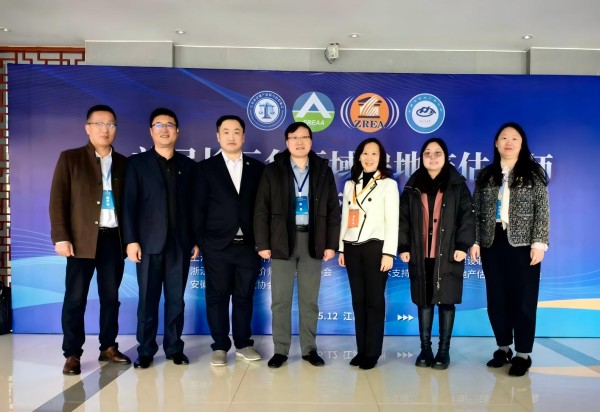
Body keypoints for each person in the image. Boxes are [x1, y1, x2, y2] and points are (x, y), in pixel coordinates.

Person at [50, 104, 131, 375]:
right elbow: (58, 200)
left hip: (113, 240)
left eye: (110, 124)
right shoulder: (70, 158)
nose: (105, 129)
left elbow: (131, 205)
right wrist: (61, 237)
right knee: (75, 299)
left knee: (111, 298)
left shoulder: (124, 163)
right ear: (88, 128)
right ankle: (72, 353)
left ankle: (108, 347)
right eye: (99, 124)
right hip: (80, 241)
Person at [254, 122, 340, 368]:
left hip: (313, 240)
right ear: (286, 142)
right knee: (280, 299)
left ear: (311, 141)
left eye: (304, 137)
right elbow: (261, 209)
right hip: (282, 240)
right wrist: (263, 243)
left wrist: (331, 243)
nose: (299, 142)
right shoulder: (273, 170)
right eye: (294, 137)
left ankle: (309, 349)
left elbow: (333, 209)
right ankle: (280, 350)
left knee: (309, 300)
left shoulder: (322, 170)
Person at [122, 108, 199, 369]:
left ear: (177, 131)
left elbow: (194, 207)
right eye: (159, 125)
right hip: (147, 244)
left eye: (169, 125)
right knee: (148, 300)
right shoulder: (136, 164)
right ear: (151, 131)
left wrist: (194, 239)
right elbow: (128, 205)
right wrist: (131, 240)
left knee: (176, 300)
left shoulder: (189, 167)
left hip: (180, 244)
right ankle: (145, 350)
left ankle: (174, 348)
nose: (164, 129)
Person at [470, 122, 549, 377]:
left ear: (521, 143)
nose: (509, 142)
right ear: (496, 143)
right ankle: (503, 348)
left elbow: (542, 210)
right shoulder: (486, 174)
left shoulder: (533, 173)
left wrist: (539, 243)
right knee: (497, 298)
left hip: (524, 245)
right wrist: (474, 241)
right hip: (492, 242)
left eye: (514, 138)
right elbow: (475, 211)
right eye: (504, 138)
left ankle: (523, 354)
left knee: (524, 299)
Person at [398, 137, 475, 370]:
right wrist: (403, 246)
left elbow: (467, 216)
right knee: (424, 300)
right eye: (428, 153)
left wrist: (462, 245)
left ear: (445, 156)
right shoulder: (412, 185)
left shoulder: (457, 185)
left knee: (447, 301)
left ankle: (443, 351)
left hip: (449, 254)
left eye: (437, 153)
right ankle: (425, 349)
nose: (432, 157)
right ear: (422, 158)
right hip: (420, 254)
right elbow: (403, 219)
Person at [195, 115, 265, 366]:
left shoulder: (258, 169)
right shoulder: (205, 168)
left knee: (244, 296)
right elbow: (197, 208)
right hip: (216, 245)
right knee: (217, 296)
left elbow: (263, 208)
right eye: (226, 132)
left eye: (236, 131)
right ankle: (220, 346)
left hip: (249, 245)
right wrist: (201, 241)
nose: (231, 136)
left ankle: (244, 344)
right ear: (218, 136)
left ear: (243, 136)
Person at [338, 138, 399, 370]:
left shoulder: (388, 185)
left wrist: (389, 253)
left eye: (374, 154)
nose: (369, 158)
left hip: (376, 247)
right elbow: (346, 218)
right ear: (359, 157)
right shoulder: (350, 185)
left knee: (374, 301)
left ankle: (372, 352)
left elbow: (392, 221)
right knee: (358, 301)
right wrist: (342, 247)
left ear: (380, 158)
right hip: (352, 246)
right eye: (365, 153)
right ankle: (361, 349)